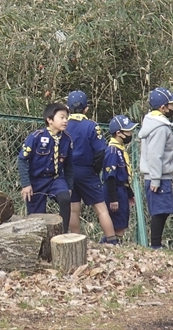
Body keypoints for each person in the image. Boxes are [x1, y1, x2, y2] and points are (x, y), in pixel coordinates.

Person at [65, 90, 117, 244]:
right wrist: (96, 169)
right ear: (86, 109)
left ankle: (76, 240)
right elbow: (100, 151)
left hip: (68, 172)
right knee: (101, 208)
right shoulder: (92, 126)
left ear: (67, 109)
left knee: (73, 208)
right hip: (87, 171)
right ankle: (112, 240)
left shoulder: (63, 124)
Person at [18, 103, 74, 233]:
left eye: (66, 117)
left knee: (65, 198)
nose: (65, 121)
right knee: (36, 217)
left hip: (55, 179)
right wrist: (26, 184)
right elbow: (22, 159)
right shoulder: (36, 136)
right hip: (36, 181)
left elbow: (69, 165)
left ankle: (63, 233)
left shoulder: (67, 139)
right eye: (61, 117)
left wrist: (69, 186)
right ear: (49, 120)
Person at [139, 87, 173, 249]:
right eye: (170, 105)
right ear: (162, 107)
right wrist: (156, 179)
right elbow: (155, 155)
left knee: (162, 210)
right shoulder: (160, 128)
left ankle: (156, 243)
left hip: (157, 175)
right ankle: (155, 245)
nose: (172, 108)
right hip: (158, 177)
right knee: (160, 211)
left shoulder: (152, 122)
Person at [103, 115, 138, 243]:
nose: (131, 133)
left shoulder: (120, 150)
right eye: (128, 131)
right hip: (115, 192)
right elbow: (110, 176)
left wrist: (130, 194)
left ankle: (114, 247)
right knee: (117, 227)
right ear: (119, 133)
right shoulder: (112, 151)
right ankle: (108, 248)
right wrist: (113, 199)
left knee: (121, 226)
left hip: (122, 190)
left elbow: (124, 175)